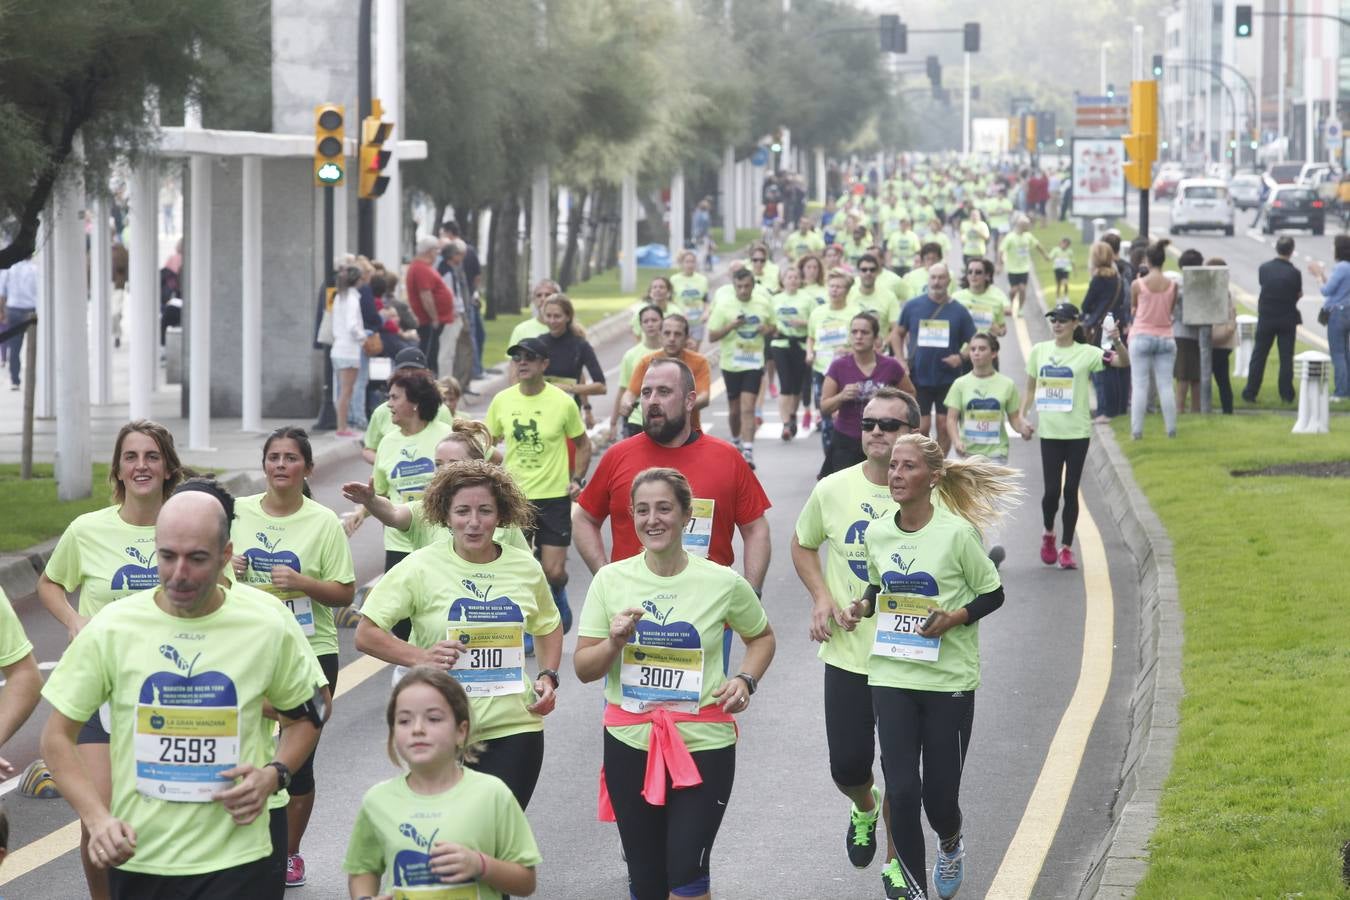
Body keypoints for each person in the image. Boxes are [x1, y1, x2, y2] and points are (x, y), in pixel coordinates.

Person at [40, 488, 328, 900]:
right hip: (143, 856)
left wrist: (275, 774)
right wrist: (98, 819)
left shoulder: (266, 623)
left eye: (196, 558)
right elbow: (56, 737)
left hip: (241, 856)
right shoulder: (113, 627)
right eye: (167, 556)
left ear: (226, 555)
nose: (179, 573)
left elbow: (312, 710)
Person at [574, 467, 776, 900]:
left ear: (687, 516)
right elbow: (584, 668)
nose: (653, 519)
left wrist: (745, 678)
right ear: (630, 516)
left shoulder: (722, 581)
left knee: (686, 873)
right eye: (642, 510)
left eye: (664, 508)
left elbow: (761, 637)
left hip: (704, 742)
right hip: (630, 741)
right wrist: (613, 642)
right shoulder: (610, 580)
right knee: (646, 881)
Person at [844, 434, 1019, 900]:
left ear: (933, 477)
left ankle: (951, 840)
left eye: (908, 467)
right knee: (901, 791)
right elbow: (878, 585)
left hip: (949, 682)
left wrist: (955, 618)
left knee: (940, 800)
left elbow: (993, 592)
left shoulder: (958, 534)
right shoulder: (878, 531)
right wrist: (860, 607)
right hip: (892, 675)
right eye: (893, 467)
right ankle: (914, 887)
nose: (896, 475)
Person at [356, 461, 562, 809]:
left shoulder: (524, 566)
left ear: (500, 516)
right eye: (462, 511)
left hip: (514, 726)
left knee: (495, 839)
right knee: (450, 837)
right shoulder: (420, 565)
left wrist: (548, 675)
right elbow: (366, 633)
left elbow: (548, 624)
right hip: (441, 726)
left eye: (485, 511)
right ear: (445, 515)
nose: (474, 521)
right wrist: (421, 657)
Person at [37, 420, 185, 900]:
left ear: (167, 467)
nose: (141, 466)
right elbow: (50, 583)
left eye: (151, 456)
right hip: (100, 688)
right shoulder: (88, 530)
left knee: (167, 814)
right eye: (130, 457)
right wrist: (72, 620)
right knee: (97, 815)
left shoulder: (183, 525)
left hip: (170, 688)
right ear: (118, 470)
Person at [790, 388, 919, 876]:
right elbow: (803, 546)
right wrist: (822, 597)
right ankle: (864, 805)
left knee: (903, 777)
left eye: (889, 425)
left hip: (908, 659)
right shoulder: (833, 489)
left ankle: (897, 865)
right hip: (847, 655)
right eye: (869, 424)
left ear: (913, 432)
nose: (877, 433)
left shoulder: (934, 491)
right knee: (847, 766)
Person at [229, 427, 355, 887]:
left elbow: (344, 592)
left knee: (298, 755)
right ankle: (242, 842)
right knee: (246, 742)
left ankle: (289, 852)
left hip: (310, 650)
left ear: (307, 468)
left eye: (290, 458)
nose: (281, 465)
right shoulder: (236, 513)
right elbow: (208, 568)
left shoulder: (322, 521)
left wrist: (303, 584)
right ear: (263, 465)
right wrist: (230, 567)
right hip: (244, 648)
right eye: (273, 457)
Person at [574, 358, 771, 596]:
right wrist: (605, 576)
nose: (652, 401)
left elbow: (755, 529)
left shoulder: (727, 457)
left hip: (707, 612)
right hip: (631, 612)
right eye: (646, 393)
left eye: (664, 392)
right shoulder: (617, 456)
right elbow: (584, 519)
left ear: (690, 401)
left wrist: (752, 591)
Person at [343, 668, 541, 899]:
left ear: (461, 731)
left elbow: (526, 881)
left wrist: (480, 865)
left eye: (434, 718)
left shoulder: (492, 794)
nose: (417, 729)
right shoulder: (378, 801)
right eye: (404, 720)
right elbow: (362, 868)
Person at [486, 337, 592, 634]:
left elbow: (584, 444)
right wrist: (493, 474)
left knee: (553, 570)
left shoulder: (561, 402)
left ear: (544, 364)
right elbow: (487, 444)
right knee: (515, 570)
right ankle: (530, 626)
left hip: (554, 497)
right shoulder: (502, 401)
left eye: (529, 357)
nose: (522, 362)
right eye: (517, 357)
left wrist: (577, 479)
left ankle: (556, 591)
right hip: (514, 498)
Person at [1021, 301, 1129, 570]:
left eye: (1062, 319)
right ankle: (1048, 534)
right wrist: (1022, 417)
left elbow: (1122, 362)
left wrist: (1117, 341)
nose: (1056, 324)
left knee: (1070, 491)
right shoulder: (1039, 351)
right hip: (1050, 432)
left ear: (1075, 323)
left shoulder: (1087, 353)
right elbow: (1031, 390)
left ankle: (1067, 548)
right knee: (1050, 492)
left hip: (1078, 432)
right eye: (1053, 319)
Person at [343, 422, 531, 555]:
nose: (444, 470)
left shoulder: (500, 515)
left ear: (476, 463)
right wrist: (371, 501)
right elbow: (392, 513)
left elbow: (527, 568)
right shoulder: (424, 510)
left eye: (453, 463)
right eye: (438, 463)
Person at [372, 370, 455, 576]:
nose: (389, 404)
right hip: (398, 544)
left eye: (395, 397)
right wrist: (364, 505)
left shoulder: (446, 435)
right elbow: (380, 493)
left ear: (415, 402)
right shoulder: (387, 443)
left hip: (439, 539)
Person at [896, 264, 977, 455]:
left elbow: (974, 342)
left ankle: (938, 467)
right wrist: (900, 359)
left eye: (941, 277)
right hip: (919, 375)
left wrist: (961, 357)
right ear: (928, 279)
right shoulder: (913, 306)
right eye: (933, 277)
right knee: (921, 426)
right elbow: (897, 334)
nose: (937, 282)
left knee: (943, 425)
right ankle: (923, 463)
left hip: (948, 378)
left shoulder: (959, 311)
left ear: (949, 281)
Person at [819, 313, 913, 476]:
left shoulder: (890, 366)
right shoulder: (838, 366)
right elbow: (824, 407)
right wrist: (841, 396)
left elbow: (911, 394)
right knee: (842, 493)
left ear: (876, 338)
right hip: (846, 440)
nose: (858, 337)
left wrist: (888, 399)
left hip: (882, 440)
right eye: (854, 332)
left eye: (864, 332)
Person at [706, 268, 777, 469]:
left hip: (754, 362)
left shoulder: (763, 303)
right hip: (731, 363)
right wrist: (731, 326)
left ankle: (748, 450)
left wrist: (767, 329)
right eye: (739, 287)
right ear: (734, 286)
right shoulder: (724, 306)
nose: (743, 290)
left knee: (748, 407)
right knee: (735, 410)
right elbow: (712, 336)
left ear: (753, 285)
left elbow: (774, 326)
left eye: (747, 286)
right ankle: (736, 440)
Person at [945, 333, 1032, 466]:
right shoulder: (960, 384)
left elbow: (1014, 419)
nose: (976, 353)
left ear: (993, 353)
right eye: (973, 349)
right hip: (968, 453)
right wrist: (956, 441)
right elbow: (951, 419)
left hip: (997, 454)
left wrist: (1023, 429)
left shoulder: (1007, 384)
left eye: (982, 349)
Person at [624, 314, 713, 432]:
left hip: (689, 432)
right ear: (660, 335)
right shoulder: (647, 362)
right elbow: (630, 393)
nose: (672, 338)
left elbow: (704, 398)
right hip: (654, 432)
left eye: (677, 334)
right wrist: (626, 403)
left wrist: (676, 405)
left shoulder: (699, 362)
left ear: (687, 337)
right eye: (667, 333)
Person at [1128, 242, 1179, 440]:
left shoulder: (1137, 284)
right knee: (1165, 385)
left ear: (1147, 261)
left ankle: (1137, 431)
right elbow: (1170, 310)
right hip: (1166, 337)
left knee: (1140, 385)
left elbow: (1133, 309)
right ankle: (1171, 430)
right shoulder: (1173, 285)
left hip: (1141, 335)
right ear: (1163, 260)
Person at [1243, 236, 1302, 404]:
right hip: (1287, 318)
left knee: (1259, 355)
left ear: (1277, 248)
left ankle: (1250, 392)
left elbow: (1265, 285)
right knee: (1286, 358)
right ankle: (1286, 394)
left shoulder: (1264, 268)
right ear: (1291, 251)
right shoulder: (1294, 273)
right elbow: (1298, 293)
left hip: (1267, 317)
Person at [1080, 241, 1131, 423]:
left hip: (1099, 329)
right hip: (1113, 325)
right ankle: (1115, 409)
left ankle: (1104, 411)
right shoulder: (1117, 278)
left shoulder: (1098, 279)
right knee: (1113, 368)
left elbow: (1085, 306)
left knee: (1099, 370)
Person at [537, 294, 606, 418]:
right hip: (540, 413)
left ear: (568, 317)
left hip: (568, 416)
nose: (552, 321)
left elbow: (601, 387)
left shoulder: (580, 345)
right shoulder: (539, 343)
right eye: (548, 316)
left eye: (557, 316)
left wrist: (569, 388)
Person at [770, 264, 813, 440]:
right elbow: (769, 320)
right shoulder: (775, 299)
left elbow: (815, 321)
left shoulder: (807, 299)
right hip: (780, 343)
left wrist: (802, 323)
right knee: (785, 385)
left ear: (800, 280)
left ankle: (793, 414)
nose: (793, 280)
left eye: (796, 277)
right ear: (783, 280)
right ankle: (786, 424)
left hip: (800, 345)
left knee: (797, 387)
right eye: (789, 277)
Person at [329, 261, 369, 437]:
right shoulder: (352, 299)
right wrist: (363, 337)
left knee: (342, 390)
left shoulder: (339, 297)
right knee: (347, 390)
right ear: (358, 280)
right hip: (349, 350)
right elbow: (353, 326)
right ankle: (342, 427)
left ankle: (342, 425)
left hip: (338, 348)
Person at [1308, 235, 1350, 401]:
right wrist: (1324, 277)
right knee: (1346, 353)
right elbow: (1338, 289)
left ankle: (1340, 391)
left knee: (1337, 354)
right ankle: (1346, 389)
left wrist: (1318, 276)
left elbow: (1326, 291)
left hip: (1338, 313)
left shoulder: (1341, 267)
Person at [406, 236, 457, 375]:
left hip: (434, 320)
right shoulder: (421, 268)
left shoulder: (423, 267)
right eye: (436, 251)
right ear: (429, 251)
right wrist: (434, 317)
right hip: (429, 321)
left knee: (433, 352)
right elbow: (425, 295)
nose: (437, 254)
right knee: (429, 354)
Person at [613, 305, 664, 439]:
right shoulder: (631, 355)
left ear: (662, 322)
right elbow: (623, 389)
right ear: (640, 325)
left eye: (654, 320)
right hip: (636, 419)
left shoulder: (670, 352)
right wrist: (613, 423)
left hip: (665, 419)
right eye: (646, 321)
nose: (650, 324)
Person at [1172, 248, 1205, 414]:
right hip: (1200, 333)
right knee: (1196, 375)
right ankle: (1196, 408)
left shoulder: (1179, 285)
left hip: (1181, 332)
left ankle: (1180, 408)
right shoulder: (1202, 284)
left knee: (1183, 375)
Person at [0, 255, 39, 390]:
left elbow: (2, 293)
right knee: (37, 346)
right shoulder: (35, 270)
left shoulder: (9, 270)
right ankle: (37, 377)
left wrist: (2, 312)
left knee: (15, 347)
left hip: (13, 310)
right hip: (31, 311)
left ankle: (15, 380)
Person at [1205, 256, 1238, 415]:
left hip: (1216, 340)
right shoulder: (1225, 290)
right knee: (1223, 378)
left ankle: (1207, 406)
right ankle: (1227, 408)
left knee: (1208, 376)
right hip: (1226, 341)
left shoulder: (1214, 291)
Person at [999, 215, 1050, 315]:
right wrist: (999, 263)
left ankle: (1020, 309)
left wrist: (1045, 255)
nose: (1028, 227)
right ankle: (1011, 303)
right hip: (1012, 269)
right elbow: (1001, 250)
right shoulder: (1010, 237)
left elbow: (1037, 245)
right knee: (1014, 290)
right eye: (1026, 225)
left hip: (1024, 268)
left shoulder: (1028, 236)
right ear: (1020, 225)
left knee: (1022, 289)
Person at [952, 259, 1008, 338]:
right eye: (970, 272)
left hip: (984, 348)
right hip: (961, 349)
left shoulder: (997, 301)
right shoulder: (955, 298)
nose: (973, 275)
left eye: (978, 272)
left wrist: (998, 331)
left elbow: (1002, 328)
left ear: (987, 276)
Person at [669, 250, 710, 346]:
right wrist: (679, 314)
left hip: (697, 322)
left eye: (692, 262)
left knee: (694, 353)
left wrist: (706, 313)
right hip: (681, 323)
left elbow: (706, 300)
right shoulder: (674, 280)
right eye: (687, 262)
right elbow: (670, 302)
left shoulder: (702, 279)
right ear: (681, 263)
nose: (690, 265)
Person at [507, 279, 562, 352]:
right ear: (533, 300)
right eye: (539, 295)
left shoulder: (566, 328)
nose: (543, 299)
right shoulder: (521, 329)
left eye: (548, 295)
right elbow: (513, 361)